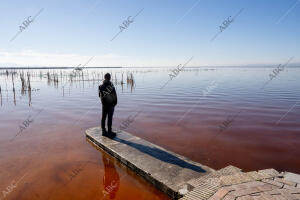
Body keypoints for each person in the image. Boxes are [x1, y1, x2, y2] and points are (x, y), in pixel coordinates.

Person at [99, 73, 118, 137]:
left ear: (104, 78)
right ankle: (109, 131)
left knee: (103, 118)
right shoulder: (112, 86)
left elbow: (100, 96)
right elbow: (115, 96)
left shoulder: (100, 86)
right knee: (109, 118)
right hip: (111, 105)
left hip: (104, 105)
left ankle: (103, 131)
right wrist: (114, 104)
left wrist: (103, 103)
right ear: (110, 78)